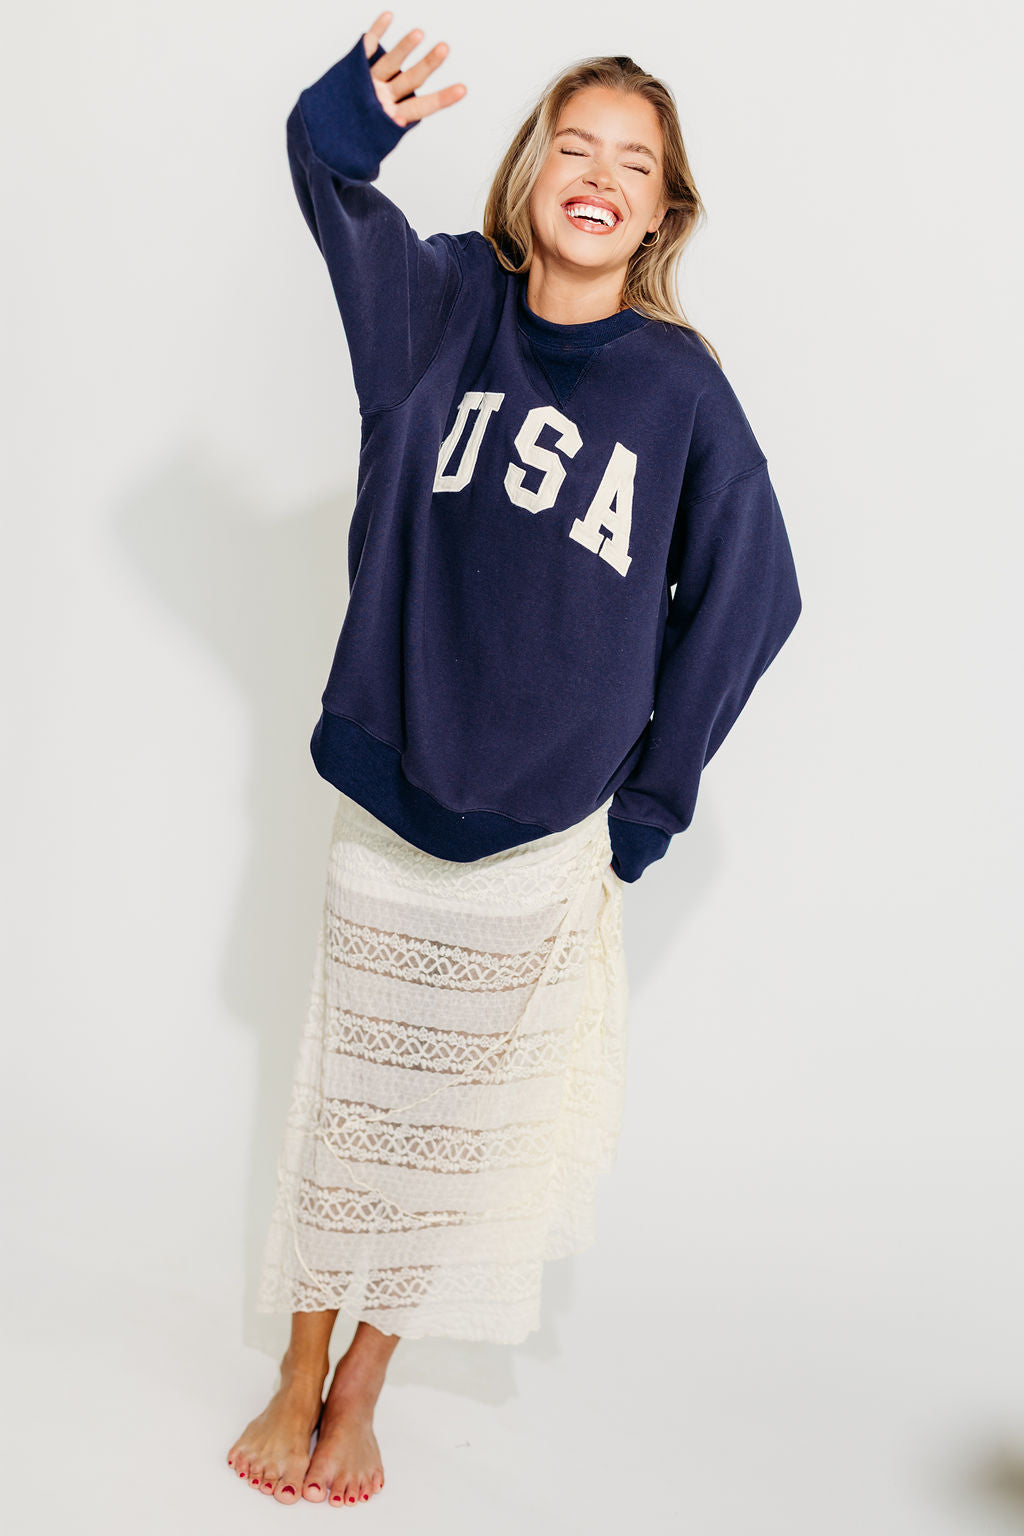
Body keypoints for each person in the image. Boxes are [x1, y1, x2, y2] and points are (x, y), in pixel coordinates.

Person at [228, 9, 802, 1505]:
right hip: (397, 784)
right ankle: (296, 1366)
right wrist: (351, 119)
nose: (600, 177)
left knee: (448, 1134)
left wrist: (647, 804)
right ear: (531, 170)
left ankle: (362, 1388)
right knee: (356, 1104)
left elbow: (755, 592)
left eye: (635, 164)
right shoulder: (440, 308)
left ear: (662, 212)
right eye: (575, 146)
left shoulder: (680, 392)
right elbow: (325, 182)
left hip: (541, 835)